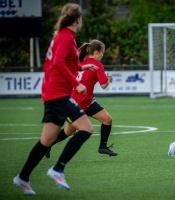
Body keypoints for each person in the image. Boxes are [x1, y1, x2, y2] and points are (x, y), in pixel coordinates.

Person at [13, 3, 93, 195]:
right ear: (78, 20)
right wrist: (76, 83)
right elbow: (57, 63)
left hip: (53, 93)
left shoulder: (65, 37)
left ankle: (22, 177)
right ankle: (58, 169)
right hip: (58, 94)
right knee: (86, 129)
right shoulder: (66, 36)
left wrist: (82, 68)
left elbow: (64, 62)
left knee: (47, 140)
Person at [45, 39, 117, 158]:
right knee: (70, 131)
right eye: (102, 52)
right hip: (76, 105)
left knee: (107, 119)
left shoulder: (82, 63)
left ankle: (103, 147)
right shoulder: (97, 65)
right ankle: (47, 145)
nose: (102, 55)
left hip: (87, 101)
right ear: (97, 52)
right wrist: (108, 79)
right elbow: (104, 85)